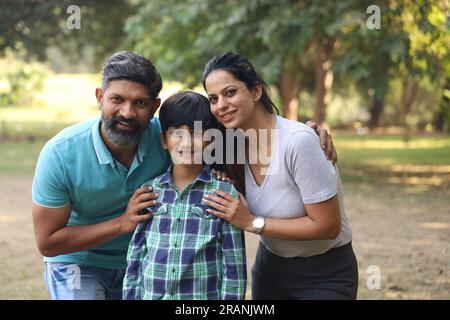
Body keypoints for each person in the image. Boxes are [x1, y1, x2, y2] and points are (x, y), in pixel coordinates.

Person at [31, 50, 334, 300]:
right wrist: (122, 223)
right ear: (100, 97)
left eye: (139, 103)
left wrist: (310, 132)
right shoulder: (60, 154)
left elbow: (257, 134)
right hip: (82, 262)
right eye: (116, 100)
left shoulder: (167, 134)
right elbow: (48, 242)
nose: (126, 112)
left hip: (149, 266)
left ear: (154, 107)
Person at [201, 52, 358, 300]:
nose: (220, 105)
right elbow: (178, 138)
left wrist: (251, 222)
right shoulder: (228, 147)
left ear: (256, 91)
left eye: (230, 92)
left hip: (325, 273)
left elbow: (328, 226)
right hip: (270, 270)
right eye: (213, 98)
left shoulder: (298, 142)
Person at [122, 91, 246, 300]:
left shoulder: (224, 194)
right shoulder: (149, 193)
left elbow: (234, 269)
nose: (187, 143)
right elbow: (135, 260)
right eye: (177, 133)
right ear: (164, 140)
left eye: (197, 133)